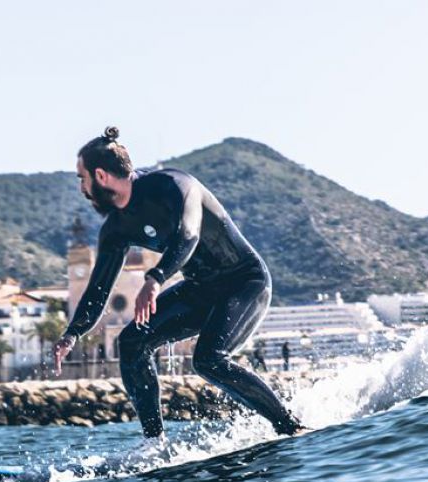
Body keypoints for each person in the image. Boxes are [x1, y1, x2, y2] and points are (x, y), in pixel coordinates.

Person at [53, 126, 302, 439]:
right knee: (131, 343)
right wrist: (72, 333)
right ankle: (155, 444)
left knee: (208, 360)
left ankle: (289, 425)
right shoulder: (116, 228)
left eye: (82, 178)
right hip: (201, 290)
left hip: (243, 281)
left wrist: (155, 279)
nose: (81, 188)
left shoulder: (174, 185)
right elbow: (98, 290)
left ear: (100, 176)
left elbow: (189, 235)